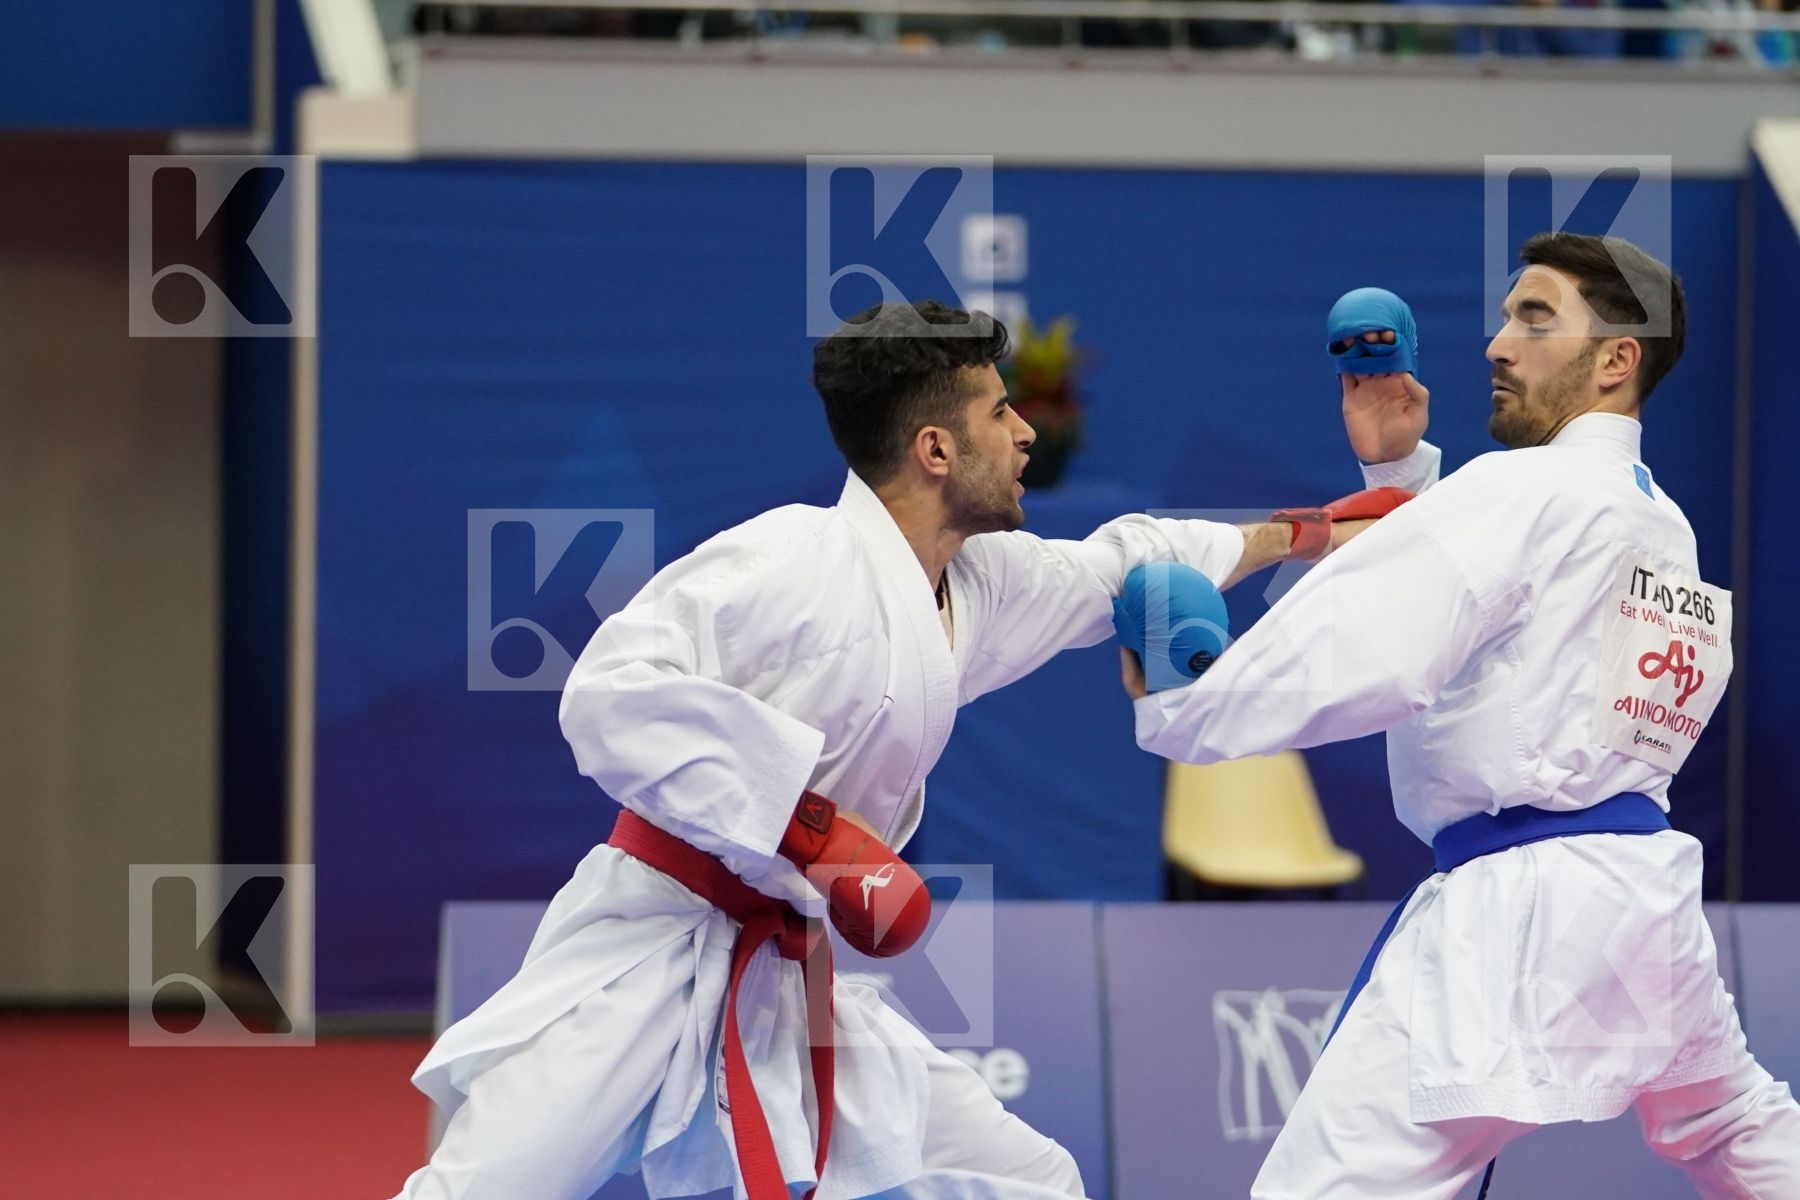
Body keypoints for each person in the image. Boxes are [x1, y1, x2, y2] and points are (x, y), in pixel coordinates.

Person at [392, 299, 1388, 1200]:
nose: (1028, 430)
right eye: (1001, 413)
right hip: (646, 953)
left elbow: (1125, 560)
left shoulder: (986, 580)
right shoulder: (783, 562)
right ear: (936, 449)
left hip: (783, 969)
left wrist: (1307, 534)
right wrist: (810, 827)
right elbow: (609, 697)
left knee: (1031, 1179)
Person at [1125, 234, 1800, 1199]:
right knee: (1732, 1125)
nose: (1495, 343)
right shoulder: (1662, 521)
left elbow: (1384, 643)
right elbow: (1503, 639)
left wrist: (1186, 703)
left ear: (1618, 359)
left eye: (1534, 318)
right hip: (1643, 894)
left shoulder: (1523, 492)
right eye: (1503, 316)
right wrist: (1399, 476)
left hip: (1518, 913)